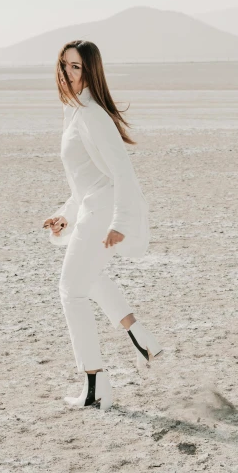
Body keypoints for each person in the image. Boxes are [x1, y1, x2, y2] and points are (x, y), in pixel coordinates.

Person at [42, 39, 163, 411]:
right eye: (64, 65)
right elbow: (86, 181)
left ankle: (96, 385)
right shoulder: (75, 112)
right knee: (88, 278)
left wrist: (121, 221)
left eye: (75, 67)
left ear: (90, 71)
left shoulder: (93, 115)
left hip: (104, 212)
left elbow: (121, 172)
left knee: (70, 290)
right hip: (92, 208)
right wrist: (66, 213)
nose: (67, 73)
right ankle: (139, 335)